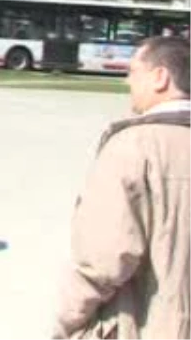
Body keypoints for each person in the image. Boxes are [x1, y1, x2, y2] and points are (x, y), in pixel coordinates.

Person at [53, 36, 191, 340]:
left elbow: (102, 260)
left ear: (160, 77)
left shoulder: (134, 147)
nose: (127, 80)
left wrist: (65, 325)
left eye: (133, 70)